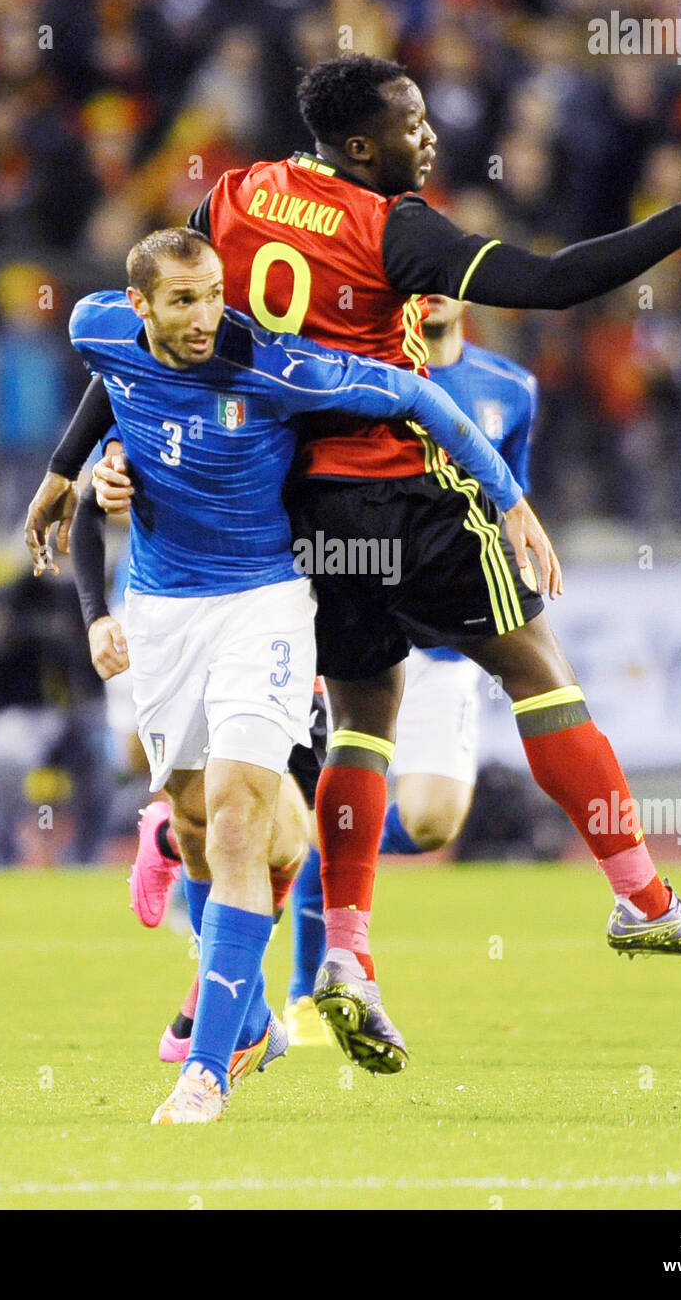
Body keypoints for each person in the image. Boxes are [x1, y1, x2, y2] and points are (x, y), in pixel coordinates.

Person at [29, 52, 681, 1072]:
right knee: (537, 671)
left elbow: (154, 340)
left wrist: (73, 464)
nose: (429, 138)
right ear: (365, 145)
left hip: (300, 509)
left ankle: (347, 958)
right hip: (400, 484)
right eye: (412, 123)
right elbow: (553, 282)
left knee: (366, 716)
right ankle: (641, 897)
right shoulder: (396, 227)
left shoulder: (237, 194)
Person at [35, 224, 536, 1119]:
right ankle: (251, 1008)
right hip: (161, 613)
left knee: (232, 819)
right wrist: (67, 472)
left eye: (214, 295)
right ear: (140, 305)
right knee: (205, 823)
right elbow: (110, 384)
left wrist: (512, 501)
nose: (204, 318)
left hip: (265, 605)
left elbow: (418, 396)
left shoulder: (279, 367)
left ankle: (207, 1067)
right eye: (183, 302)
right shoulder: (96, 328)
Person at [284, 295, 537, 1040]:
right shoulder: (362, 372)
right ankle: (306, 991)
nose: (431, 292)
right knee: (337, 772)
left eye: (444, 276)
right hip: (360, 618)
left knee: (431, 822)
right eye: (415, 279)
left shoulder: (511, 388)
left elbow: (509, 492)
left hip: (445, 638)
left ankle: (311, 851)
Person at [0, 566, 113, 867]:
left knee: (104, 754)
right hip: (16, 712)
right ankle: (2, 854)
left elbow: (103, 671)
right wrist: (10, 640)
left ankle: (85, 857)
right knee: (6, 755)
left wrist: (69, 645)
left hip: (71, 714)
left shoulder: (80, 601)